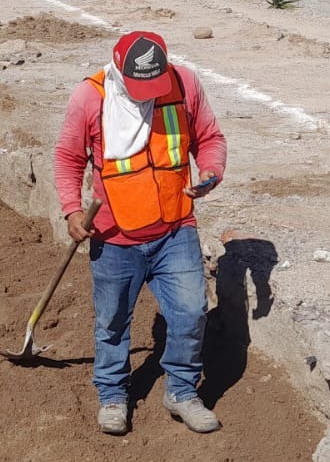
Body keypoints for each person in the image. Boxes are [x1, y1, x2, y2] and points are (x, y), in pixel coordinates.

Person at [53, 30, 228, 436]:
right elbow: (68, 156)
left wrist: (210, 172)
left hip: (175, 226)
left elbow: (209, 139)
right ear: (117, 69)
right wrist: (71, 210)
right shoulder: (90, 98)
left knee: (189, 311)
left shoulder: (183, 84)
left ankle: (182, 392)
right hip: (114, 236)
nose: (147, 95)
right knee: (112, 322)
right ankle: (113, 395)